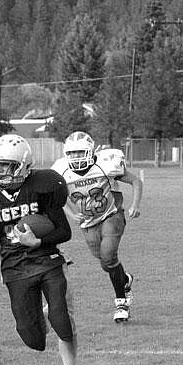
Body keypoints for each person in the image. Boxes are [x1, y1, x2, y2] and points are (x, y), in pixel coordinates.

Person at [0, 133, 85, 365]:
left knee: (62, 321)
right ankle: (40, 316)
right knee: (34, 340)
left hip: (48, 259)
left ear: (23, 166)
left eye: (4, 165)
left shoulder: (44, 186)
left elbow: (64, 232)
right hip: (14, 267)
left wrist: (37, 243)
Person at [51, 131, 142, 323]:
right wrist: (72, 214)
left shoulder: (106, 163)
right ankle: (124, 280)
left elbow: (135, 180)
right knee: (106, 263)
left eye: (80, 152)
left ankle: (121, 304)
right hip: (87, 223)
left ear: (90, 151)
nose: (76, 157)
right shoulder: (60, 170)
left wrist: (135, 205)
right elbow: (55, 199)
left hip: (111, 214)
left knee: (108, 257)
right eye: (72, 153)